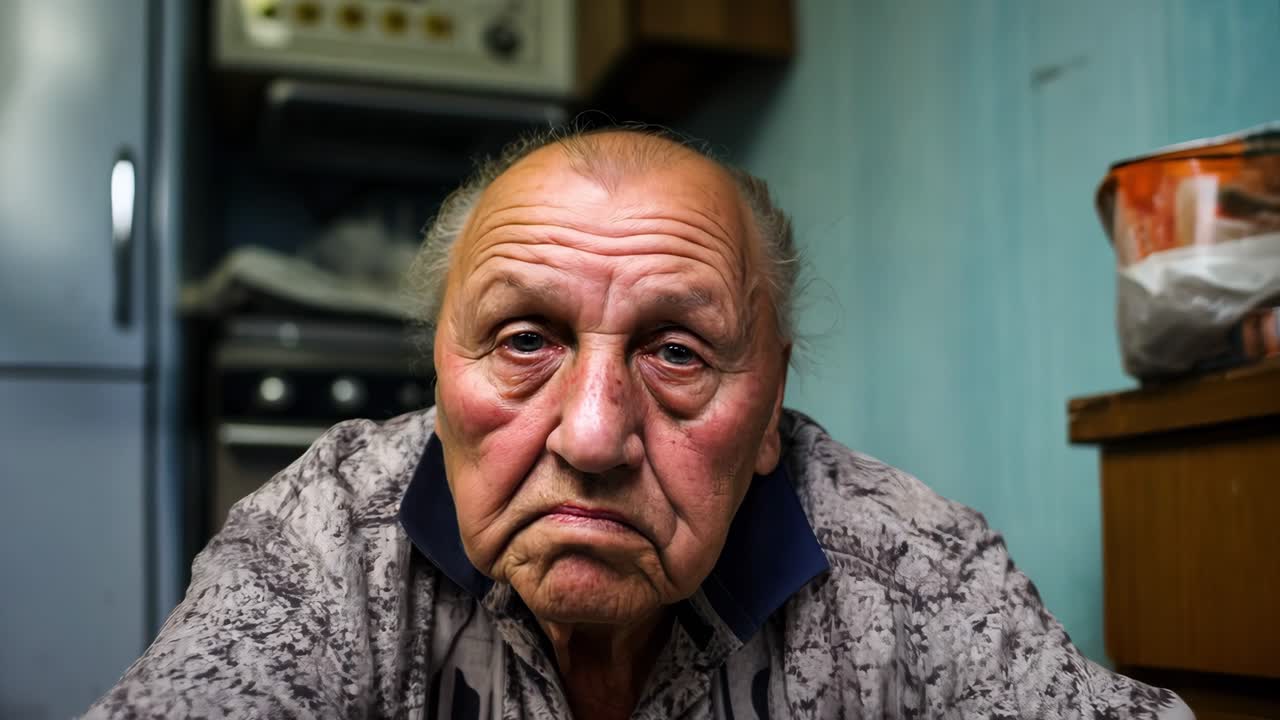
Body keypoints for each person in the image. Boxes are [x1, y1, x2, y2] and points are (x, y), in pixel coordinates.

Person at [86, 127, 1191, 719]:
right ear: (440, 373)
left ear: (769, 408)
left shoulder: (911, 568)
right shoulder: (325, 541)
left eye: (676, 353)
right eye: (525, 339)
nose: (592, 436)